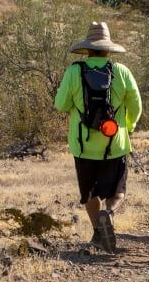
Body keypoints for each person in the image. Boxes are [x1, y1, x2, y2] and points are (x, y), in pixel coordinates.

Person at [53, 22, 142, 253]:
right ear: (108, 49)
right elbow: (136, 105)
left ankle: (97, 232)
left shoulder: (74, 72)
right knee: (118, 190)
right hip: (116, 144)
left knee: (89, 193)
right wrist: (128, 127)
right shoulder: (121, 72)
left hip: (83, 147)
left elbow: (60, 105)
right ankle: (109, 213)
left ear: (88, 49)